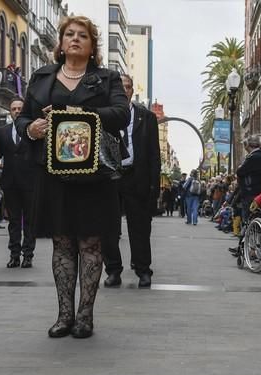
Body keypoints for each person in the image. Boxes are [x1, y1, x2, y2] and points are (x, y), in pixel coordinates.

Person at [16, 15, 129, 339]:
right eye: (69, 34)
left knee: (91, 244)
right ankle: (64, 315)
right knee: (62, 243)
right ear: (61, 43)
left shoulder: (106, 79)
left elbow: (121, 114)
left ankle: (85, 317)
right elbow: (24, 118)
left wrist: (85, 115)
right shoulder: (41, 77)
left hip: (93, 175)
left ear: (92, 45)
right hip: (53, 174)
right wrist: (31, 128)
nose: (75, 39)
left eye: (83, 35)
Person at [102, 74, 161, 289]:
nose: (124, 90)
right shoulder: (105, 116)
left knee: (140, 228)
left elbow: (155, 155)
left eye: (127, 87)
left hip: (137, 178)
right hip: (110, 178)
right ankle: (113, 270)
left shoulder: (147, 118)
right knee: (108, 228)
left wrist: (154, 187)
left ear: (132, 91)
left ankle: (143, 269)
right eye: (120, 87)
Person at [0, 96, 37, 269]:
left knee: (30, 221)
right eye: (14, 108)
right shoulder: (2, 132)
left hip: (30, 182)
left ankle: (28, 255)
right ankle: (14, 255)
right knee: (14, 221)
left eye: (19, 108)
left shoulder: (33, 130)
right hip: (10, 183)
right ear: (10, 111)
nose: (17, 111)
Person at [237, 134, 261, 224]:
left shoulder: (254, 157)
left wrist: (240, 169)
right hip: (253, 189)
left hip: (250, 190)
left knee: (247, 216)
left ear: (248, 145)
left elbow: (240, 171)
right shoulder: (259, 156)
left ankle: (246, 234)